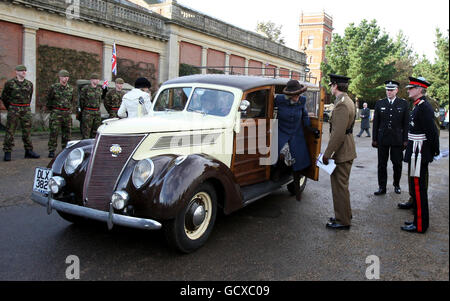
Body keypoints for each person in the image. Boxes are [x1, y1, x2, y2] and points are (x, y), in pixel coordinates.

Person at [400, 77, 439, 233]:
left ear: (419, 90)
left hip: (419, 153)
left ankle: (420, 225)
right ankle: (417, 220)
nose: (408, 90)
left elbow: (432, 133)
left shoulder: (424, 108)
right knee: (416, 188)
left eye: (411, 88)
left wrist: (433, 151)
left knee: (418, 189)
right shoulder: (417, 106)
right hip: (415, 151)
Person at [273, 79, 319, 201]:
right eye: (296, 95)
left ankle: (297, 191)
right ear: (289, 95)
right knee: (282, 155)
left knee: (297, 162)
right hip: (281, 133)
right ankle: (279, 169)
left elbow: (304, 114)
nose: (298, 97)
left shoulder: (302, 101)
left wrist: (309, 127)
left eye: (299, 94)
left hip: (296, 134)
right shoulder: (279, 100)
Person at [322, 74, 356, 230]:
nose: (330, 87)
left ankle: (342, 220)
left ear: (335, 86)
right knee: (342, 185)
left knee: (339, 186)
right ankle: (344, 214)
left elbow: (338, 133)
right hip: (346, 148)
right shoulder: (346, 100)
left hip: (342, 151)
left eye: (331, 85)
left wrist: (328, 153)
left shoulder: (342, 104)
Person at [398, 95, 441, 210]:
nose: (408, 91)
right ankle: (413, 199)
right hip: (414, 145)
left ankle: (419, 202)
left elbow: (434, 126)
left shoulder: (429, 103)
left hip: (422, 146)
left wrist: (432, 148)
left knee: (421, 178)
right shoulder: (415, 102)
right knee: (412, 175)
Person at [372, 80, 409, 195]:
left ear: (396, 90)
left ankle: (396, 185)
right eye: (387, 90)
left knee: (397, 164)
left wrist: (405, 139)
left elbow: (406, 123)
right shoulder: (380, 103)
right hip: (382, 138)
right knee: (381, 164)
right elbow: (376, 123)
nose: (389, 92)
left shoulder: (403, 103)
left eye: (391, 90)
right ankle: (382, 187)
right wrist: (374, 139)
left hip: (397, 139)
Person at [2, 65, 40, 161]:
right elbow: (4, 97)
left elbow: (30, 96)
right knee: (10, 131)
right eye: (21, 70)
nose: (24, 72)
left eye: (25, 71)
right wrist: (10, 107)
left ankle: (29, 151)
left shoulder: (29, 84)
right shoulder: (10, 83)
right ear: (16, 72)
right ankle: (7, 152)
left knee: (27, 131)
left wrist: (25, 106)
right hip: (14, 108)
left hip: (25, 109)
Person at [46, 70, 75, 158]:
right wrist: (53, 110)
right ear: (59, 77)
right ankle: (52, 150)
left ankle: (65, 150)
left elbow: (72, 100)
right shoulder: (54, 87)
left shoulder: (70, 88)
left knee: (67, 133)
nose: (65, 79)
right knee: (54, 132)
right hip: (56, 113)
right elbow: (49, 100)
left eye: (66, 77)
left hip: (66, 113)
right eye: (63, 77)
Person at [79, 73, 102, 139]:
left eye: (98, 79)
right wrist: (84, 110)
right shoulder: (85, 89)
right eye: (95, 79)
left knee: (95, 131)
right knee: (86, 131)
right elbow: (82, 100)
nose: (97, 81)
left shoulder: (99, 89)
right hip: (88, 112)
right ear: (91, 80)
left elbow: (100, 100)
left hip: (97, 112)